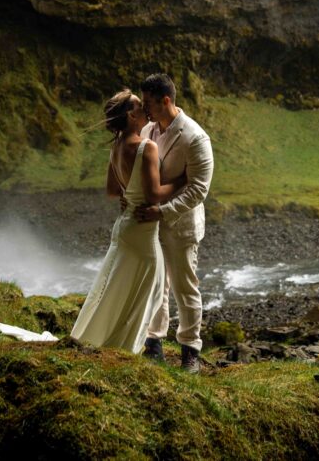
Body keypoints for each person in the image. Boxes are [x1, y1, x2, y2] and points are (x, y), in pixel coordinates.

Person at [69, 90, 184, 353]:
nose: (144, 107)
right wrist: (182, 181)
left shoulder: (117, 145)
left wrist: (128, 195)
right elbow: (154, 194)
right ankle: (125, 347)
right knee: (150, 290)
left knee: (118, 288)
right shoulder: (146, 147)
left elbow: (112, 190)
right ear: (132, 115)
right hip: (142, 230)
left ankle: (109, 341)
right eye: (138, 105)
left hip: (124, 225)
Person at [134, 74, 214, 373]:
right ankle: (154, 343)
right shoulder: (147, 129)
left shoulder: (195, 137)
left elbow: (198, 189)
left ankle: (191, 350)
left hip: (181, 225)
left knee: (185, 287)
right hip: (151, 225)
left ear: (166, 100)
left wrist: (163, 211)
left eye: (149, 103)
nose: (145, 109)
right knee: (157, 284)